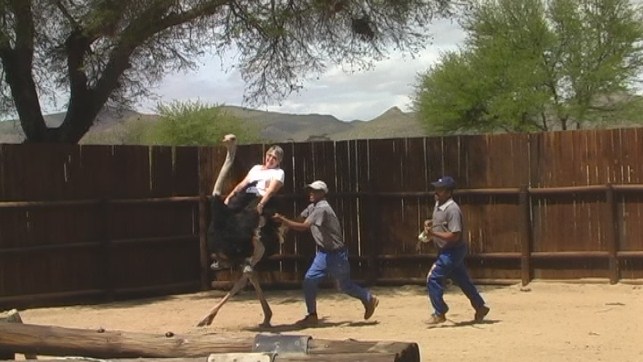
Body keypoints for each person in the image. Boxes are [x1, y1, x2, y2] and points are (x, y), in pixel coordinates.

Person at [273, 180, 379, 325]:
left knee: (345, 285)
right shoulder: (312, 207)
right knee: (309, 281)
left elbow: (304, 226)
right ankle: (312, 315)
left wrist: (283, 220)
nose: (311, 193)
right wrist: (285, 228)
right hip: (323, 254)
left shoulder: (322, 208)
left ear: (323, 193)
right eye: (310, 190)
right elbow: (301, 218)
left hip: (336, 255)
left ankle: (368, 298)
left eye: (315, 191)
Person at [421, 176, 490, 325]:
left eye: (439, 189)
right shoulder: (439, 204)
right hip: (447, 250)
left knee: (433, 278)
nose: (436, 192)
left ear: (448, 192)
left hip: (452, 251)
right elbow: (441, 222)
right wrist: (431, 223)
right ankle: (480, 306)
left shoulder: (453, 210)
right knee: (463, 280)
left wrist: (433, 234)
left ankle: (440, 312)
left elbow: (454, 235)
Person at [209, 145, 285, 270]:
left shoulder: (278, 173)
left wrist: (261, 204)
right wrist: (231, 196)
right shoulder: (256, 168)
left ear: (278, 161)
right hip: (245, 196)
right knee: (220, 217)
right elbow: (243, 184)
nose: (270, 159)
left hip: (259, 198)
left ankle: (248, 259)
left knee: (245, 224)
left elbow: (271, 190)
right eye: (269, 156)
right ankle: (221, 256)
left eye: (274, 158)